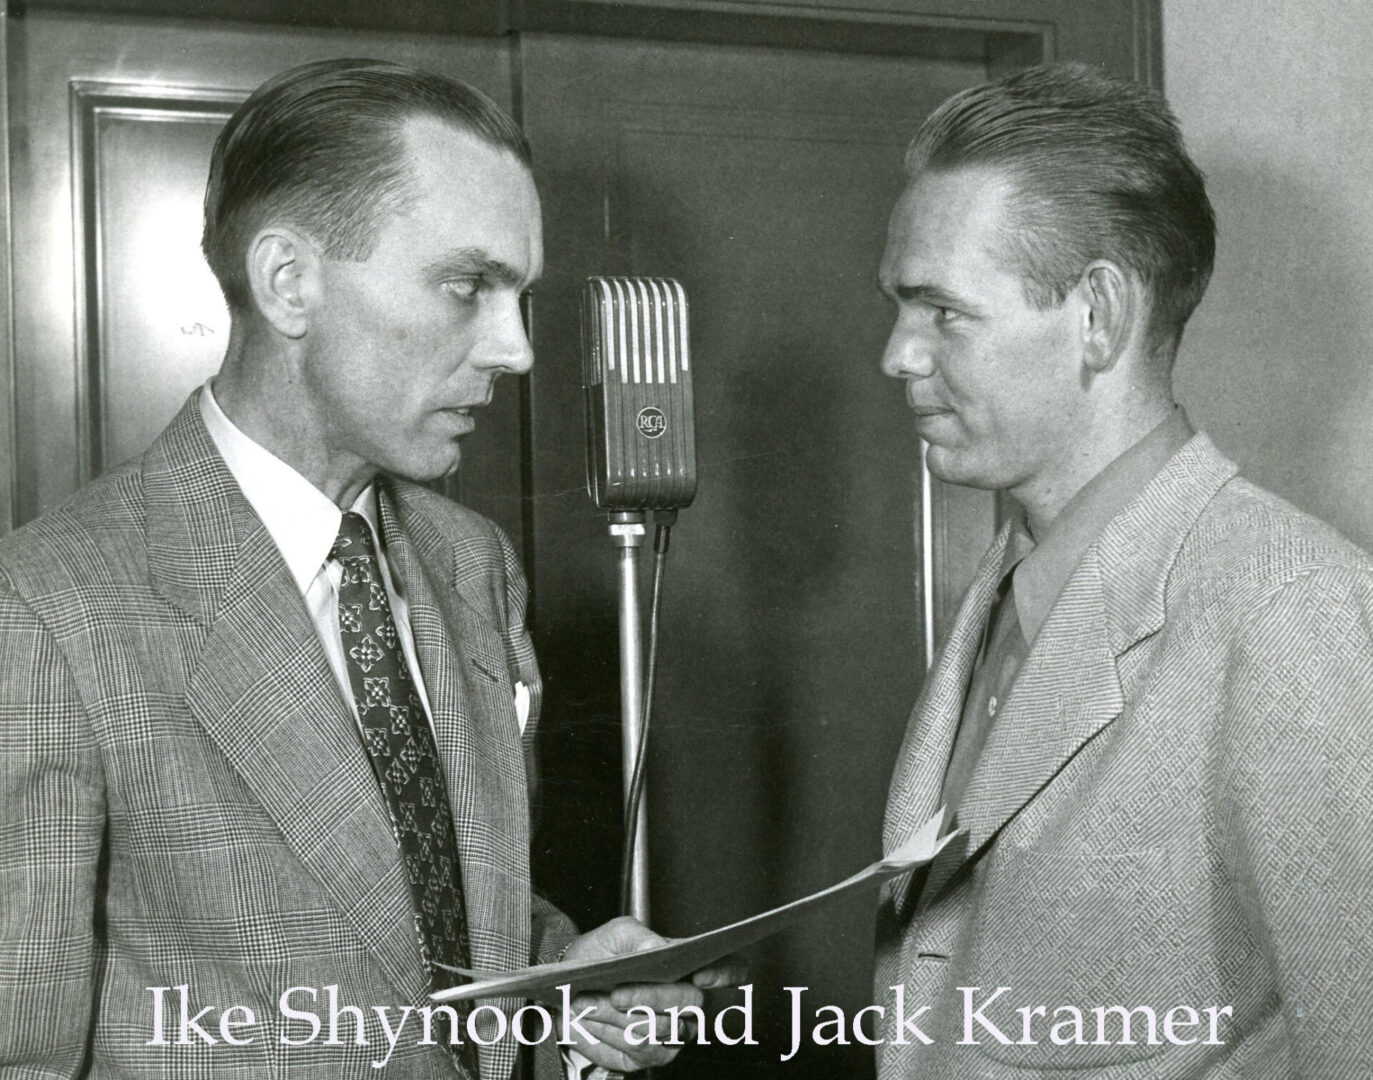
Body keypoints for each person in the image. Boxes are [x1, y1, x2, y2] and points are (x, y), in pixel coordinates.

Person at [0, 59, 728, 1079]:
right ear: (289, 280)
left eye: (519, 296)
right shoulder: (45, 606)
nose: (515, 350)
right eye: (467, 286)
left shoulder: (471, 564)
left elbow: (419, 913)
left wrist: (564, 983)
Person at [874, 62, 1373, 1078]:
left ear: (1096, 316)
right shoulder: (1005, 591)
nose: (896, 354)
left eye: (941, 312)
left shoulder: (1288, 606)